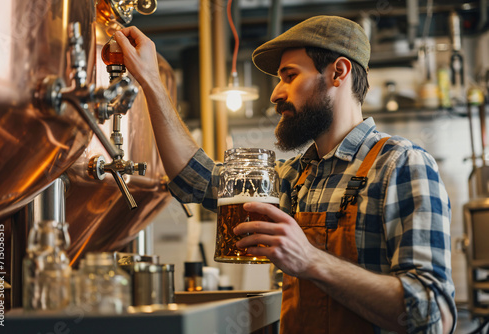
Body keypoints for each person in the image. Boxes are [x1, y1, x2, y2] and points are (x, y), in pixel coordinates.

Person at [115, 15, 456, 334]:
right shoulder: (295, 176)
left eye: (289, 76)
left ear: (338, 72)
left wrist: (309, 260)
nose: (276, 94)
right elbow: (195, 178)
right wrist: (151, 81)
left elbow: (433, 313)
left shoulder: (401, 164)